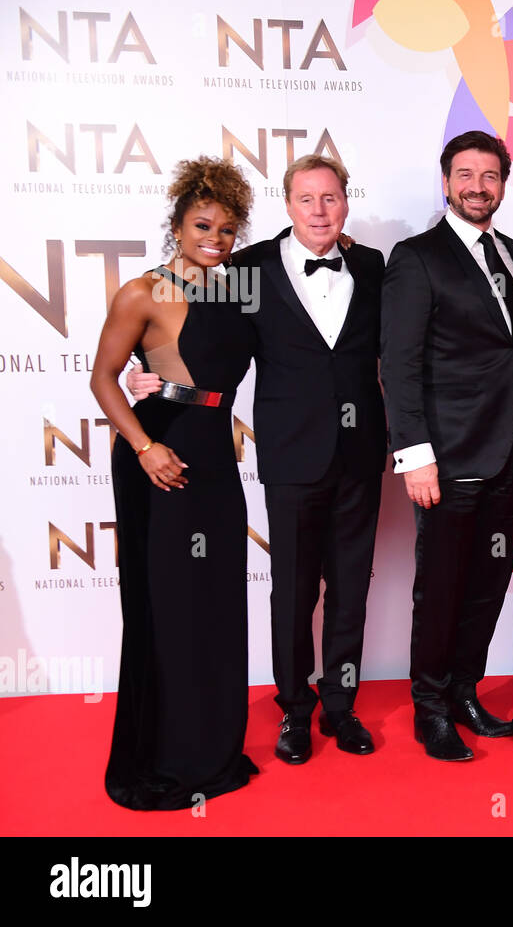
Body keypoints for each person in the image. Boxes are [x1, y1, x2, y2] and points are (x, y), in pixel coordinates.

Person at [128, 155, 387, 764]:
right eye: (306, 199)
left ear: (345, 202)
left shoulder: (374, 267)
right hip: (292, 452)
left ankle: (341, 707)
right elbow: (200, 335)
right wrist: (159, 381)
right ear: (287, 205)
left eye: (330, 198)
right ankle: (295, 709)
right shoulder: (248, 268)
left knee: (350, 590)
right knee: (293, 591)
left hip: (361, 451)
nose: (319, 210)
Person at [91, 156, 258, 809]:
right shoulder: (143, 292)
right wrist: (144, 445)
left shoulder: (240, 288)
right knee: (172, 605)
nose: (214, 240)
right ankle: (166, 753)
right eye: (201, 226)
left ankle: (211, 746)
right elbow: (105, 377)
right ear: (178, 224)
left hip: (213, 452)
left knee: (214, 602)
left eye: (226, 230)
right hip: (164, 452)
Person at [381, 130, 513, 761]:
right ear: (446, 181)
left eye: (491, 175)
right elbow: (399, 362)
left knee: (489, 581)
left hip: (510, 453)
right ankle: (430, 708)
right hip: (446, 457)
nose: (479, 186)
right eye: (467, 175)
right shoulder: (416, 257)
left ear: (503, 183)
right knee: (442, 586)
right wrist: (414, 453)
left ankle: (466, 691)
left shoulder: (512, 254)